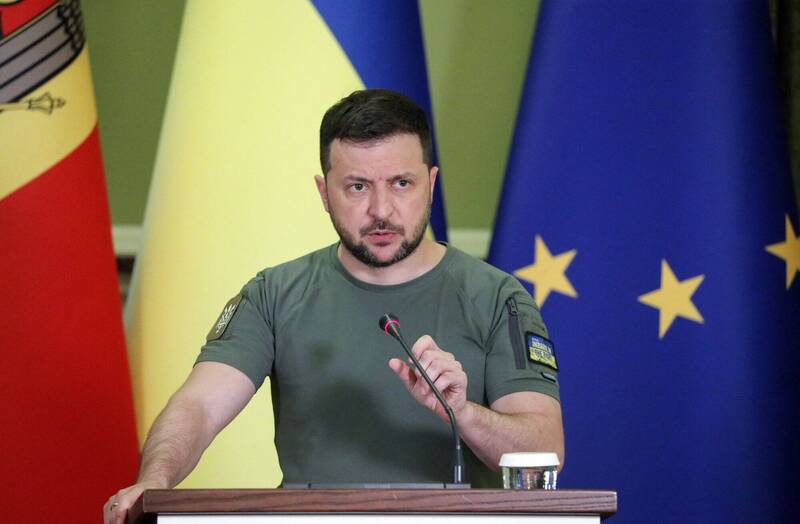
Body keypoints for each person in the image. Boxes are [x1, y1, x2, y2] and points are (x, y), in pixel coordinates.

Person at [103, 89, 563, 523]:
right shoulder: (273, 294)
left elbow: (546, 450)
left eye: (401, 183)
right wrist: (155, 482)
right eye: (357, 187)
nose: (381, 210)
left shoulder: (497, 297)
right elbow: (200, 405)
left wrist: (463, 412)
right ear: (324, 194)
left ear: (431, 184)